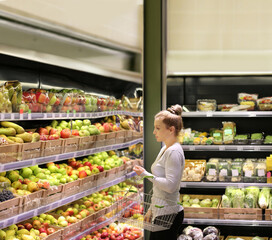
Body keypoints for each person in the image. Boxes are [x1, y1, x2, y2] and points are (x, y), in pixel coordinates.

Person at [133, 104, 185, 240]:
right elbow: (159, 187)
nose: (153, 132)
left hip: (168, 215)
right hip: (161, 212)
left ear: (171, 129)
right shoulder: (165, 148)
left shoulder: (173, 151)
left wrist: (145, 174)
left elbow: (170, 186)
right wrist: (151, 210)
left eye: (158, 128)